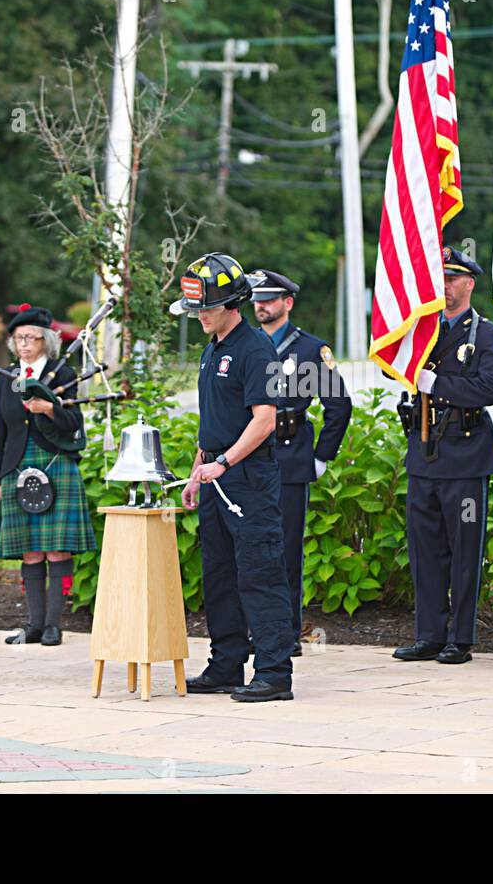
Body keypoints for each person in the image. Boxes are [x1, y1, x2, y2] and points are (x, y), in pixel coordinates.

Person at [174, 252, 295, 703]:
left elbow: (264, 420)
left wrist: (223, 463)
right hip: (214, 478)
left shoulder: (255, 348)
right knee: (219, 573)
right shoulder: (213, 349)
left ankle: (274, 673)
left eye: (205, 307)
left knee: (259, 572)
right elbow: (214, 423)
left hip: (249, 480)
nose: (199, 315)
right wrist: (195, 474)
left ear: (230, 303)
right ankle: (226, 664)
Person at [391, 246, 493, 665]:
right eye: (438, 277)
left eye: (452, 278)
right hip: (425, 456)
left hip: (465, 456)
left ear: (469, 284)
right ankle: (428, 633)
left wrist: (437, 383)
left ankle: (459, 638)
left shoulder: (486, 335)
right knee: (425, 551)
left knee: (463, 551)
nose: (443, 285)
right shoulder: (423, 331)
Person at [249, 269, 352, 654]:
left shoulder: (309, 351)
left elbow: (338, 406)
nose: (261, 306)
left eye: (269, 299)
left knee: (286, 550)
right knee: (251, 548)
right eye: (257, 299)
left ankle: (286, 632)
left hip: (289, 457)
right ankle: (256, 628)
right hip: (247, 457)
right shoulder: (246, 345)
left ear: (287, 303)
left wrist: (321, 455)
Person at [0, 305, 95, 647]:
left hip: (55, 463)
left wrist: (50, 408)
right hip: (16, 467)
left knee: (56, 551)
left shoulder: (62, 375)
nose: (23, 344)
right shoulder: (5, 377)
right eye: (18, 338)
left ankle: (53, 625)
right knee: (30, 551)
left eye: (30, 338)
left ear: (46, 341)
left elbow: (75, 425)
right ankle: (33, 625)